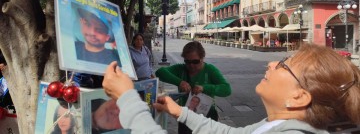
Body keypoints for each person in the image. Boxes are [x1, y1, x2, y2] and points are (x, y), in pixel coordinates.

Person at [102, 43, 360, 134]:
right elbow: (229, 132)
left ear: (299, 96)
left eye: (283, 64)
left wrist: (127, 99)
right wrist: (179, 112)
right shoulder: (271, 125)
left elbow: (224, 89)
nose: (271, 62)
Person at [155, 41, 231, 133]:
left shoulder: (210, 70)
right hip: (185, 114)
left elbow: (227, 89)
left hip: (207, 115)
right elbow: (160, 72)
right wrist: (180, 82)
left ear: (202, 58)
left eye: (195, 61)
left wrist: (204, 88)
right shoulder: (181, 69)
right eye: (187, 61)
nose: (191, 65)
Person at [73, 8, 121, 88]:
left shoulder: (113, 58)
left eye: (99, 30)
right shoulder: (74, 48)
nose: (92, 33)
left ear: (107, 37)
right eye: (87, 24)